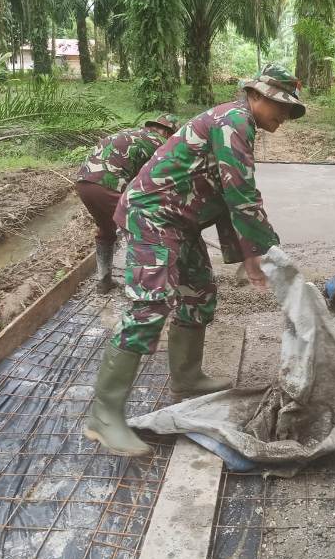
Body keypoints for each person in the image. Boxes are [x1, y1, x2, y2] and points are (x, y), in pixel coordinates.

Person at [84, 64, 306, 456]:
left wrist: (246, 254)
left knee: (199, 293)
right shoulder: (233, 121)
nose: (284, 116)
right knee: (150, 306)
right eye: (279, 105)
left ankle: (186, 378)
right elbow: (241, 193)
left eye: (289, 109)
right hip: (153, 215)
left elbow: (222, 197)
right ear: (255, 95)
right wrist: (264, 249)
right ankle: (104, 416)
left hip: (178, 221)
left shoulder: (238, 124)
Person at [75, 114, 180, 293]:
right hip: (108, 185)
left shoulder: (133, 134)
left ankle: (104, 282)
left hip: (83, 183)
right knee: (142, 229)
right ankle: (143, 288)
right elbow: (159, 182)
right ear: (169, 132)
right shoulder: (159, 144)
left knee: (106, 230)